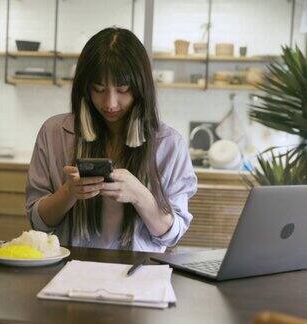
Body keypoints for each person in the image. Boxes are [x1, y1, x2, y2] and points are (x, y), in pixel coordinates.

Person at [25, 27, 197, 252]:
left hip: (137, 276)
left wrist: (141, 196)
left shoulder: (168, 143)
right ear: (85, 88)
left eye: (123, 90)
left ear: (140, 88)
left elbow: (171, 236)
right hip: (68, 270)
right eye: (99, 89)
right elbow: (37, 222)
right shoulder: (54, 132)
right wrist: (69, 192)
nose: (110, 103)